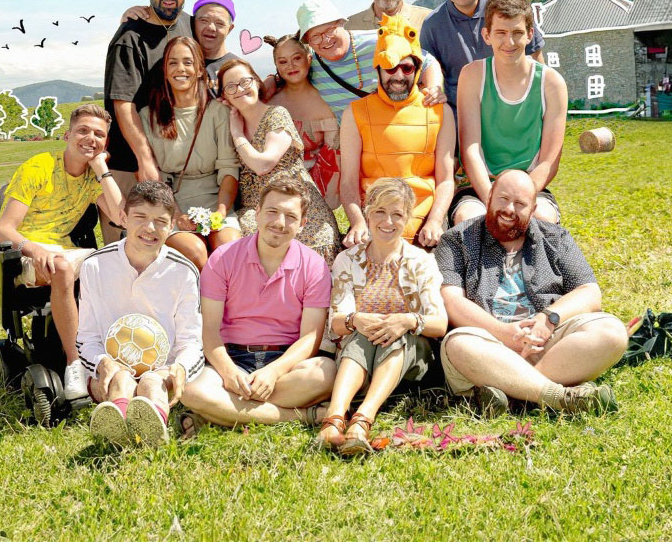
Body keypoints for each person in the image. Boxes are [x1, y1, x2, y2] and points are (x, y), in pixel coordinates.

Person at [436, 170, 628, 416]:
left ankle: (514, 391)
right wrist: (503, 333)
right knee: (459, 343)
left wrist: (548, 319)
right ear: (489, 196)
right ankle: (558, 396)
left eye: (520, 204)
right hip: (490, 345)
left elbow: (589, 291)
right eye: (503, 199)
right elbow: (451, 301)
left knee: (612, 331)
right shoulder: (457, 240)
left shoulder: (555, 238)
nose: (509, 209)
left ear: (533, 207)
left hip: (546, 344)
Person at [0, 104, 129, 405]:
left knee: (118, 263)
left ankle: (115, 354)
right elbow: (3, 230)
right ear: (68, 134)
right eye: (83, 130)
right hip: (28, 252)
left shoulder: (90, 181)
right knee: (63, 268)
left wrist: (101, 170)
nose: (90, 138)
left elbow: (123, 218)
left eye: (98, 134)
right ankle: (74, 365)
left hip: (65, 250)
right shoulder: (39, 167)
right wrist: (34, 248)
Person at [180, 178, 336, 432]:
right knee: (191, 390)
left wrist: (274, 372)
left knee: (325, 373)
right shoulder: (223, 258)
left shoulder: (314, 266)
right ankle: (302, 416)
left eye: (290, 216)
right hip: (232, 357)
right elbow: (209, 330)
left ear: (302, 224)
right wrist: (229, 373)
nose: (279, 223)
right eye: (272, 211)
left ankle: (219, 412)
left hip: (285, 363)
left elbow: (311, 338)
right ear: (258, 213)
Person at [317, 178, 448, 454]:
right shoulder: (347, 260)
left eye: (397, 214)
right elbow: (337, 323)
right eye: (380, 212)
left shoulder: (420, 261)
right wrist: (357, 320)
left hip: (410, 362)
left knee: (395, 333)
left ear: (408, 218)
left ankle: (362, 420)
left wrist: (409, 320)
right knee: (359, 332)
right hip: (360, 357)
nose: (387, 221)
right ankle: (334, 419)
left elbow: (439, 324)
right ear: (367, 212)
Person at [76, 181, 204, 448]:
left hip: (161, 369)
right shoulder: (95, 266)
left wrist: (178, 368)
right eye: (140, 217)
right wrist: (102, 363)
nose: (150, 228)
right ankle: (117, 425)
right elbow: (86, 338)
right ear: (123, 218)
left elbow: (191, 342)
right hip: (112, 369)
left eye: (160, 221)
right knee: (121, 379)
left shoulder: (183, 271)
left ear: (171, 227)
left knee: (150, 382)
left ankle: (152, 427)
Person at [103, 0, 199, 243]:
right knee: (126, 245)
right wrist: (144, 158)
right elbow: (123, 103)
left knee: (170, 249)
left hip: (174, 159)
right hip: (130, 161)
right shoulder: (129, 36)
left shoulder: (190, 26)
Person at [339, 14, 456, 249]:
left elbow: (445, 180)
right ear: (378, 69)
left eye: (406, 67)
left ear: (417, 69)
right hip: (374, 226)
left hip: (424, 227)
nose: (399, 76)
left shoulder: (440, 111)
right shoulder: (355, 112)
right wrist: (358, 223)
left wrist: (434, 221)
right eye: (390, 68)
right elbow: (348, 182)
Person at [453, 0, 567, 225]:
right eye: (501, 33)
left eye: (517, 33)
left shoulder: (551, 82)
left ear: (530, 35)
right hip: (481, 184)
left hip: (528, 184)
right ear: (487, 35)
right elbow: (470, 149)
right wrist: (493, 200)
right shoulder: (473, 75)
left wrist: (519, 201)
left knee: (542, 217)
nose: (510, 42)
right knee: (469, 219)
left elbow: (549, 161)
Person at [219, 58, 341, 263]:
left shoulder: (276, 114)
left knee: (307, 245)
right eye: (230, 87)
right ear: (224, 96)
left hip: (294, 201)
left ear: (256, 82)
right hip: (256, 208)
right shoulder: (225, 120)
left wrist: (237, 132)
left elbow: (263, 164)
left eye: (244, 82)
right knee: (249, 237)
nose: (239, 89)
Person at [139, 36, 242, 271]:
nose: (180, 69)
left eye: (187, 62)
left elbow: (229, 167)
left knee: (229, 250)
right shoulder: (149, 116)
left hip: (216, 199)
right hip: (170, 202)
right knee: (196, 253)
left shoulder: (217, 111)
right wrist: (175, 215)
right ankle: (202, 306)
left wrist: (221, 211)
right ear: (164, 70)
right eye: (172, 63)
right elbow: (149, 175)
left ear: (198, 69)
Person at [421, 0, 545, 111]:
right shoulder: (433, 24)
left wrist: (542, 105)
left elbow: (535, 57)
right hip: (462, 116)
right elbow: (427, 71)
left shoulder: (510, 6)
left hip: (515, 110)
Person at [284, 0, 446, 120]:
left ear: (341, 23)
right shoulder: (312, 65)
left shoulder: (378, 42)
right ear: (309, 42)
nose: (326, 40)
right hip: (354, 148)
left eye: (330, 30)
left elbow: (427, 61)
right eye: (316, 36)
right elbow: (286, 74)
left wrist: (434, 88)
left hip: (399, 133)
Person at [264, 32, 340, 209]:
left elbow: (331, 161)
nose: (290, 66)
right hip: (272, 188)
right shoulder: (269, 102)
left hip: (314, 193)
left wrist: (310, 202)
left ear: (309, 57)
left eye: (296, 58)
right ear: (276, 65)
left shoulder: (327, 102)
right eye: (283, 62)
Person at [191, 0, 240, 94]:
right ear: (193, 22)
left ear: (230, 29)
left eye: (219, 23)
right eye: (204, 20)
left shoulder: (238, 68)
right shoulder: (181, 63)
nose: (211, 28)